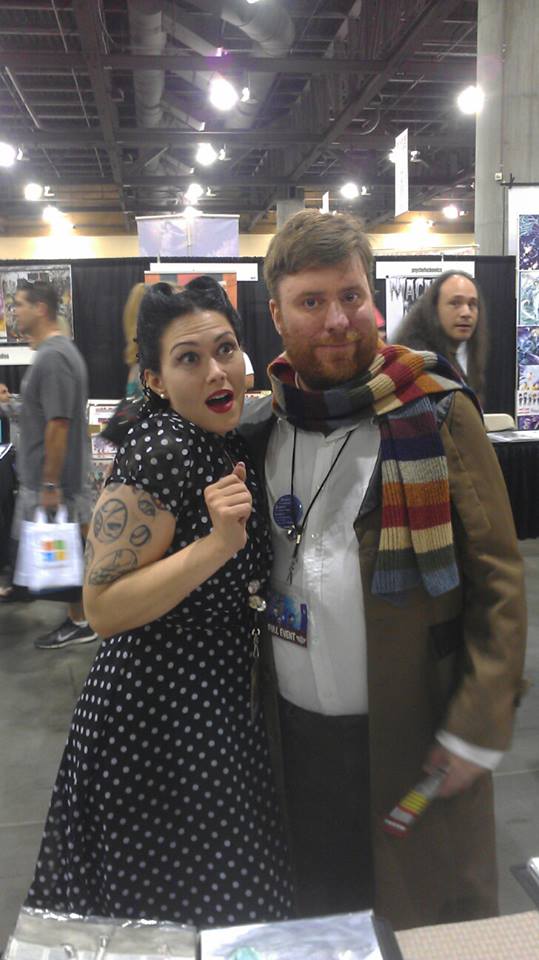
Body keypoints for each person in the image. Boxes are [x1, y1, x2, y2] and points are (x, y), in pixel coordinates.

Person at [240, 210, 526, 931]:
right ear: (276, 314)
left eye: (350, 296)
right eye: (311, 301)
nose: (337, 320)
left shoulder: (435, 411)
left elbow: (498, 578)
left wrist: (477, 722)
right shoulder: (261, 427)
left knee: (419, 917)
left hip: (410, 730)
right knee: (315, 915)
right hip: (292, 738)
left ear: (372, 298)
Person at [25, 278, 292, 927]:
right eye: (188, 358)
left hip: (208, 709)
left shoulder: (219, 438)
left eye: (224, 349)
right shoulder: (163, 448)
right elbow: (103, 606)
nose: (216, 370)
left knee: (218, 903)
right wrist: (217, 545)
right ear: (155, 380)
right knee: (175, 914)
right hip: (155, 723)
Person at [0, 280, 96, 649]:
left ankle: (82, 620)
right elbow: (44, 413)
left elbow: (58, 424)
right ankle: (79, 616)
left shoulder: (54, 357)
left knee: (69, 554)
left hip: (60, 484)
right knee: (69, 552)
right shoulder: (52, 354)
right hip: (58, 482)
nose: (14, 312)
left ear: (40, 308)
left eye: (19, 305)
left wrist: (51, 484)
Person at [393, 270, 488, 403]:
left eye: (472, 304)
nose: (466, 313)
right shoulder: (420, 368)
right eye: (455, 303)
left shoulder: (453, 364)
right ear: (434, 309)